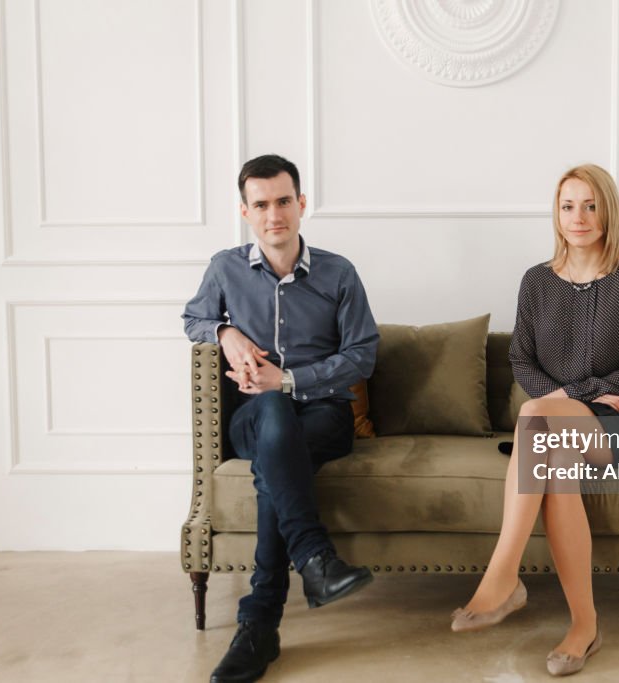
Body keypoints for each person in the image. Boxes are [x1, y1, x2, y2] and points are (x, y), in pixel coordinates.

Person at [450, 164, 619, 677]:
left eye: (590, 205)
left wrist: (575, 398)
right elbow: (521, 362)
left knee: (533, 416)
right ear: (557, 213)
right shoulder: (537, 282)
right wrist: (577, 395)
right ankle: (584, 627)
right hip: (557, 426)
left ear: (607, 211)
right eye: (569, 206)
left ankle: (503, 575)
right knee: (548, 445)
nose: (579, 217)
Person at [182, 154, 380, 683]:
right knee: (270, 416)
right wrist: (225, 333)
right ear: (246, 211)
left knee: (277, 458)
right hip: (253, 415)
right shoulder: (225, 267)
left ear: (302, 204)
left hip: (324, 414)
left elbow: (363, 354)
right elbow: (193, 318)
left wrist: (289, 381)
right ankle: (315, 562)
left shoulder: (339, 273)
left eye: (284, 201)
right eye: (262, 204)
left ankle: (260, 624)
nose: (275, 215)